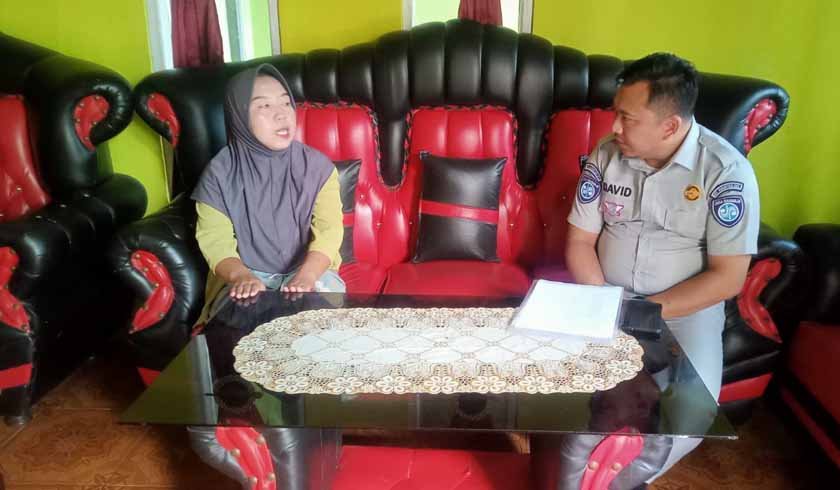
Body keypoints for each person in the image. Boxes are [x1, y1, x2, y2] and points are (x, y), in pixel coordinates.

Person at [565, 53, 760, 479]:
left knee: (690, 417)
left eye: (627, 118)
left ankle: (617, 482)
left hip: (685, 312)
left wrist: (644, 312)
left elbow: (729, 277)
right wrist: (602, 302)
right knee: (563, 400)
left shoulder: (725, 172)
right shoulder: (606, 154)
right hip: (605, 297)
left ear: (670, 126)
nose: (615, 127)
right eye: (616, 113)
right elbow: (580, 241)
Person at [192, 63, 345, 324]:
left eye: (286, 103)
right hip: (245, 275)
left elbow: (329, 231)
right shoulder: (219, 174)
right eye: (264, 105)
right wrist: (240, 276)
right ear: (239, 115)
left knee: (320, 321)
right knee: (240, 323)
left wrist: (308, 275)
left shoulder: (318, 168)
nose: (282, 115)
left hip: (309, 270)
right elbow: (215, 240)